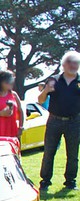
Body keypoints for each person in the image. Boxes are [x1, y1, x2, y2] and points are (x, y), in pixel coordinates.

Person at [38, 51, 80, 192]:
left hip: (74, 121)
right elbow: (40, 100)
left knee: (73, 154)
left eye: (76, 63)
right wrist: (46, 91)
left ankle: (70, 182)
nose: (73, 65)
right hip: (54, 120)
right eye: (70, 62)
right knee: (49, 152)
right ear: (63, 64)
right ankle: (45, 181)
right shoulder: (53, 80)